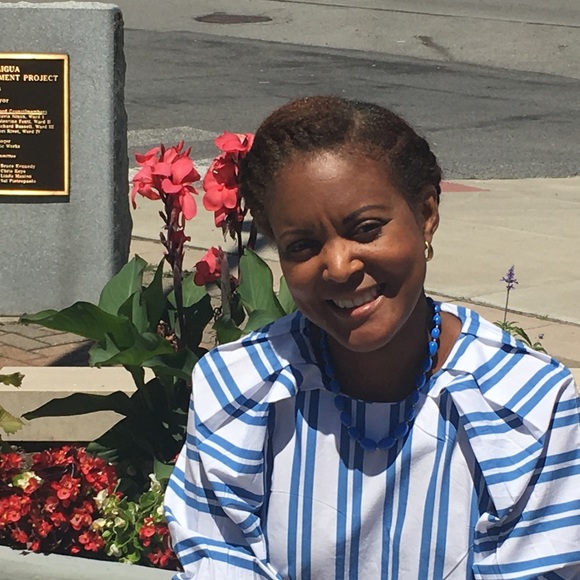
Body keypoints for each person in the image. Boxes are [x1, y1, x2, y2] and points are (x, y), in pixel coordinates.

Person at [164, 96, 580, 579]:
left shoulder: (526, 405)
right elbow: (221, 561)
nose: (339, 267)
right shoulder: (240, 392)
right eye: (302, 246)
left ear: (426, 213)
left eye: (365, 229)